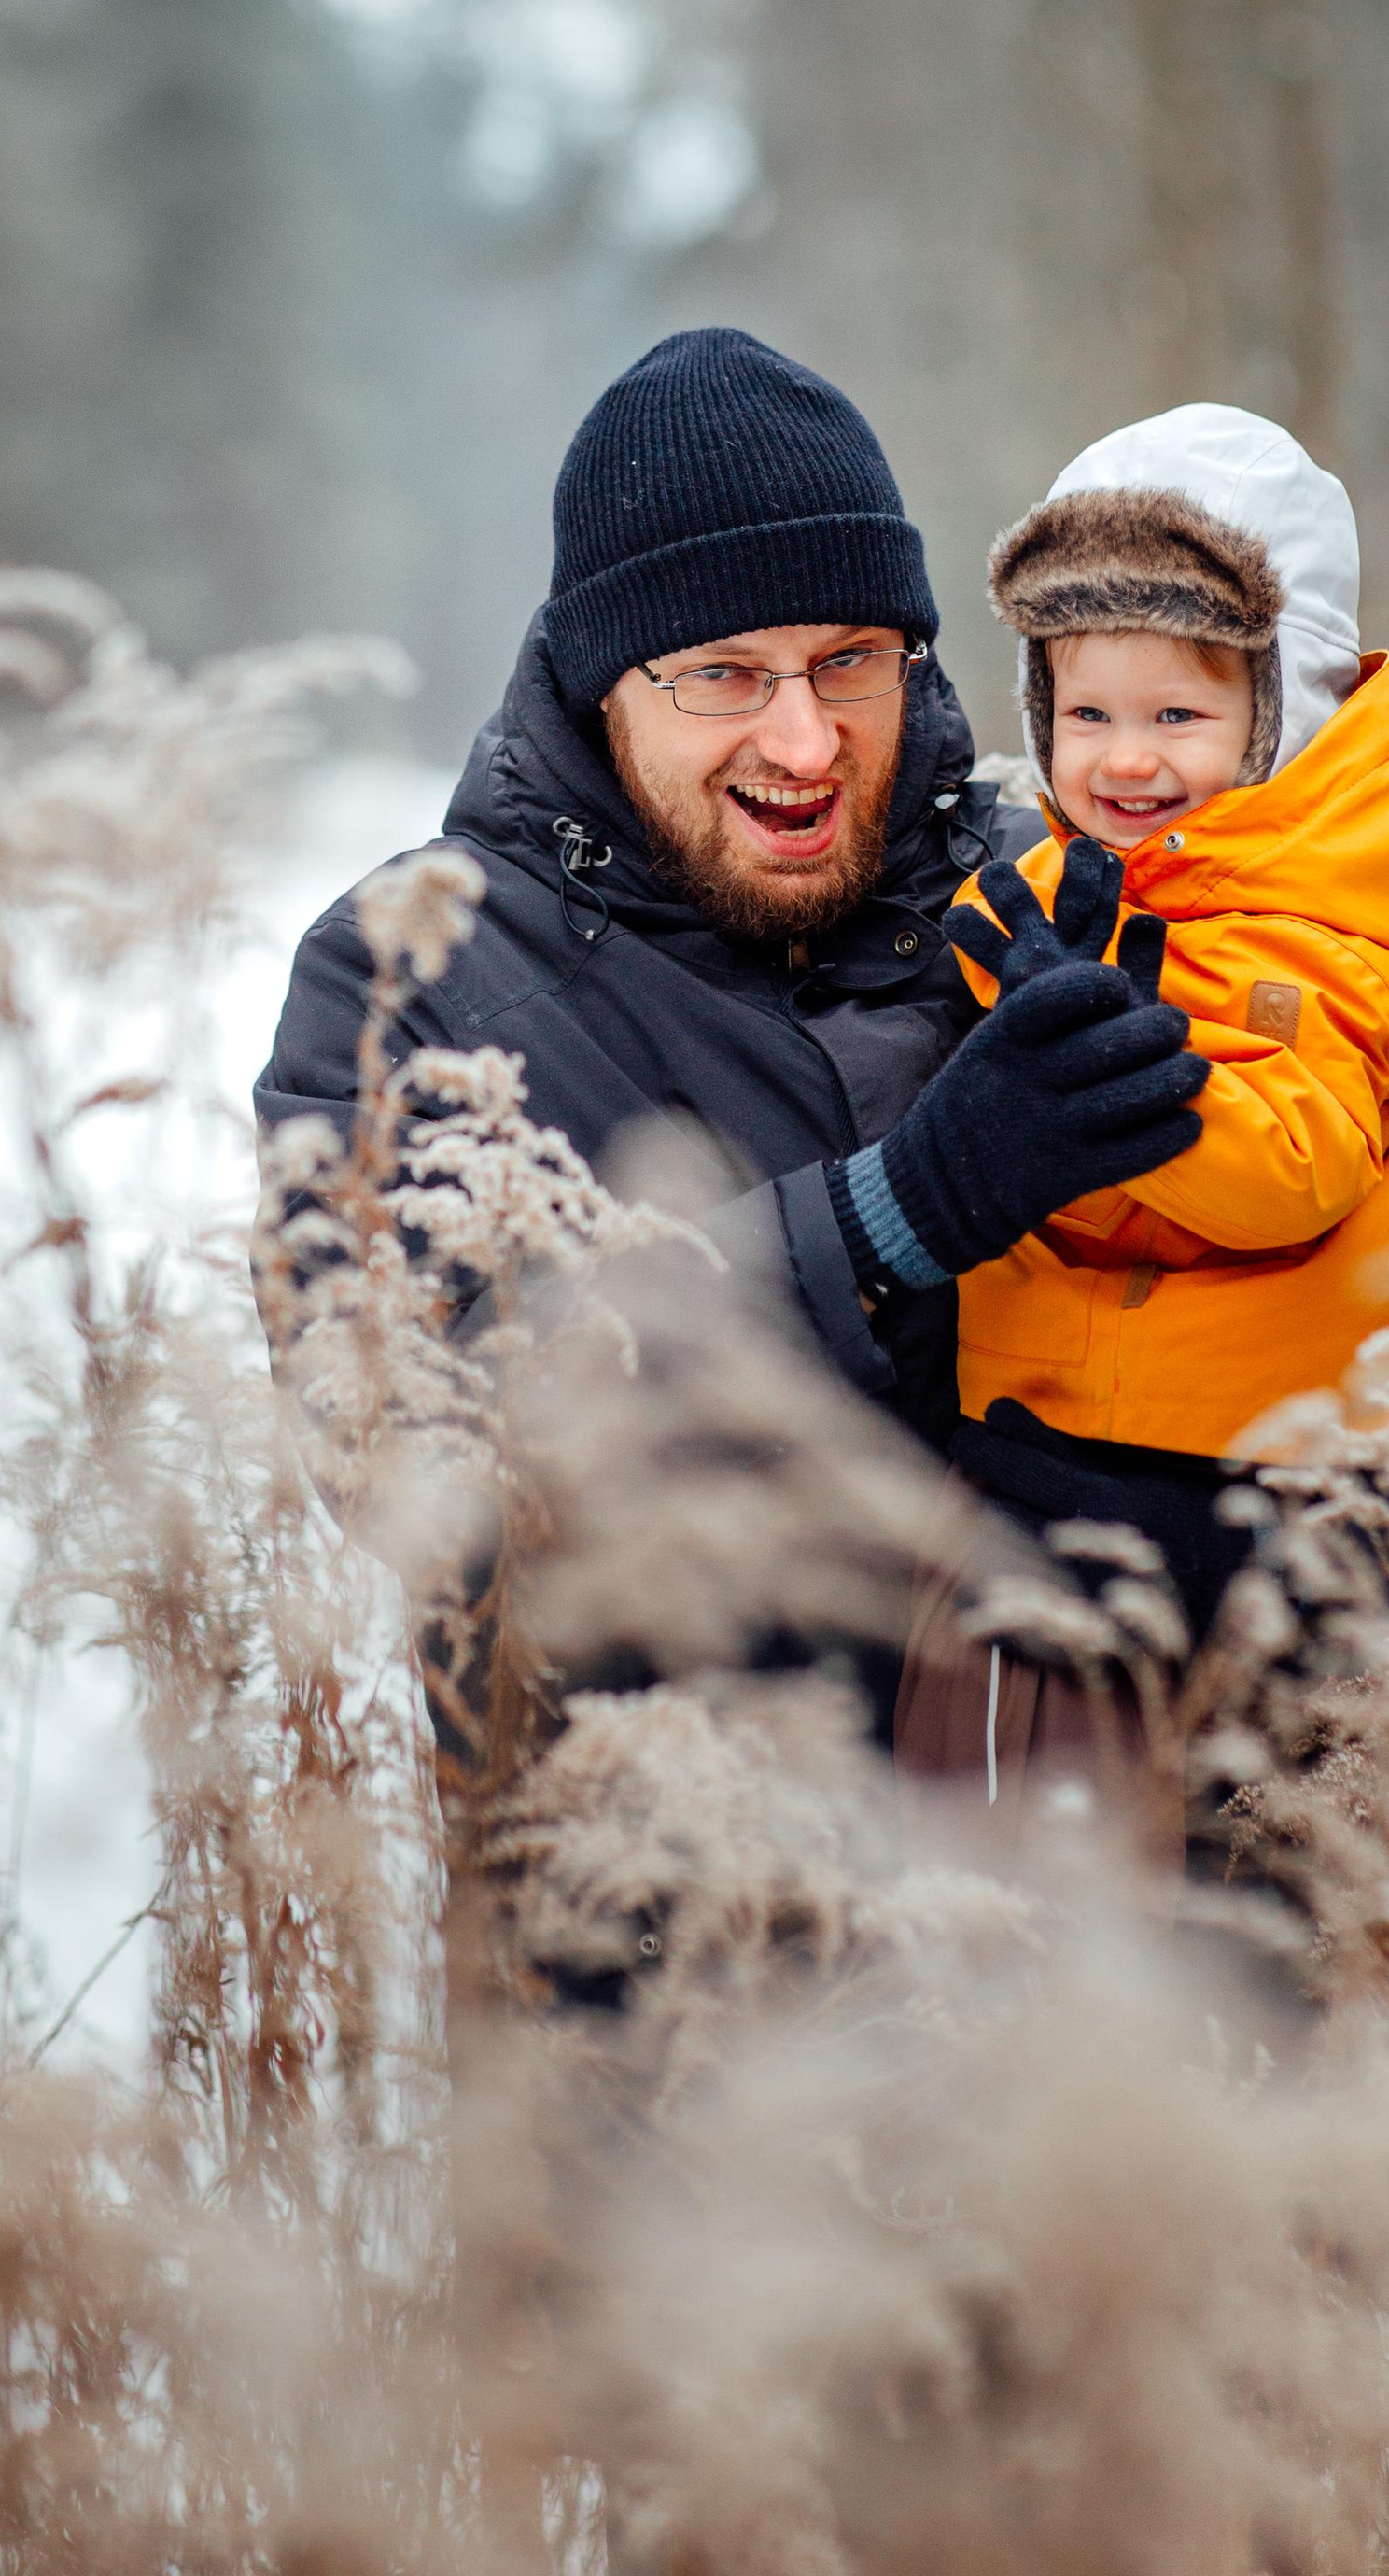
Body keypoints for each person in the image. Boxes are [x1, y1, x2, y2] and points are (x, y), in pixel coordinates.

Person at [255, 326, 1210, 1760]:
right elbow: (419, 1474)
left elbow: (1375, 1373)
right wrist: (897, 1214)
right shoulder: (410, 977)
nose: (807, 742)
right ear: (603, 683)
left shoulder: (1059, 892)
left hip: (1094, 1919)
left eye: (850, 662)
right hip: (673, 1935)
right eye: (723, 674)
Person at [887, 402, 1389, 1798]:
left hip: (1263, 1491)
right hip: (1043, 1468)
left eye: (1179, 712)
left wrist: (1119, 1066)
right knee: (1015, 1866)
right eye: (1087, 712)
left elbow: (1290, 1168)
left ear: (1276, 711)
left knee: (1276, 1871)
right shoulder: (1057, 892)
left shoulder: (1337, 926)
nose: (1126, 758)